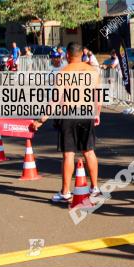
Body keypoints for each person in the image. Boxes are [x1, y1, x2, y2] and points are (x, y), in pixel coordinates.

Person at [32, 43, 101, 203]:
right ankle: (95, 188)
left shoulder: (64, 73)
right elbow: (98, 95)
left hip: (69, 114)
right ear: (81, 55)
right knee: (89, 151)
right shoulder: (92, 71)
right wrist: (97, 114)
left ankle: (65, 192)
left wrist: (42, 119)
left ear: (67, 56)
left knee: (68, 154)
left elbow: (55, 99)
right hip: (87, 113)